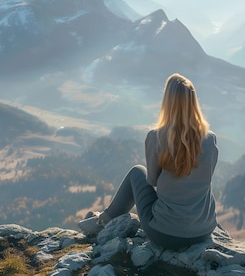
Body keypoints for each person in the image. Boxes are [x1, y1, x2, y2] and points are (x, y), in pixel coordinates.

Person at [78, 73, 219, 250]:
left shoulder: (157, 137)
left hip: (165, 234)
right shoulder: (210, 139)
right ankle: (104, 218)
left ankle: (103, 220)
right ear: (193, 102)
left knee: (137, 171)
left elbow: (152, 180)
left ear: (167, 102)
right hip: (202, 232)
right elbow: (206, 178)